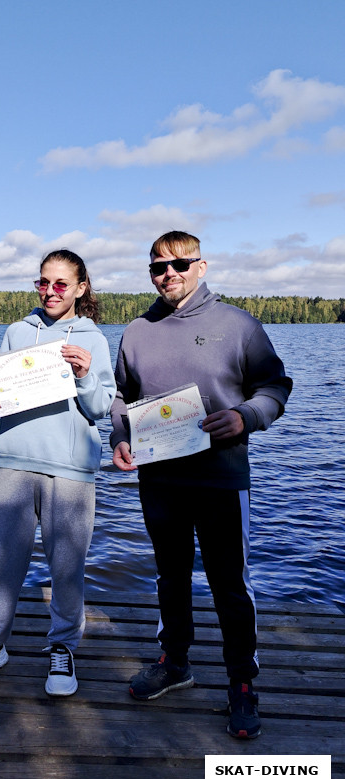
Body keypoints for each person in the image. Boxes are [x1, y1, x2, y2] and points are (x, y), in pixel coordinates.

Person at [111, 231, 292, 739]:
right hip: (159, 479)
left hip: (221, 481)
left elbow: (276, 386)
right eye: (157, 267)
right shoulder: (136, 331)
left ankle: (241, 682)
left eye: (179, 264)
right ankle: (175, 662)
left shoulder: (238, 325)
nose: (168, 274)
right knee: (170, 577)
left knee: (229, 584)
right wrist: (118, 438)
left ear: (202, 266)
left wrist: (246, 417)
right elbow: (123, 399)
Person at [0, 249, 115, 695]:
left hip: (70, 470)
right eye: (43, 282)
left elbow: (100, 407)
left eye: (60, 284)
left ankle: (62, 649)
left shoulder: (93, 340)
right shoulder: (18, 331)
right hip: (12, 462)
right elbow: (2, 400)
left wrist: (84, 375)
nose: (50, 291)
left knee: (67, 567)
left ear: (81, 288)